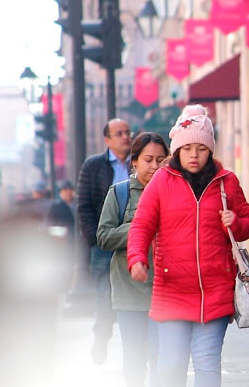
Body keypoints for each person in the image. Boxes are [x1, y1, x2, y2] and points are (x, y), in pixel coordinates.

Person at [127, 107, 249, 387]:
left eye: (201, 148)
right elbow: (141, 225)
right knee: (171, 365)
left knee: (207, 361)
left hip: (216, 289)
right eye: (187, 148)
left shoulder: (226, 182)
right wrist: (137, 258)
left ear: (210, 150)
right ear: (177, 150)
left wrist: (235, 222)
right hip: (172, 290)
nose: (194, 155)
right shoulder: (162, 181)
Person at [97, 132, 170, 387]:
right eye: (148, 159)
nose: (155, 166)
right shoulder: (120, 194)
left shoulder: (174, 192)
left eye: (161, 159)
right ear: (135, 161)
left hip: (166, 290)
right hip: (129, 291)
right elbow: (103, 237)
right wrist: (139, 226)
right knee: (135, 358)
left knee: (162, 357)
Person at [76, 118, 132, 364]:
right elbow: (84, 206)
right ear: (107, 140)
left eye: (127, 132)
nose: (125, 137)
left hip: (134, 240)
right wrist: (94, 238)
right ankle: (101, 339)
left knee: (135, 296)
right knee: (105, 297)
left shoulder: (139, 163)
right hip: (104, 243)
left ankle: (136, 348)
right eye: (118, 133)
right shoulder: (93, 166)